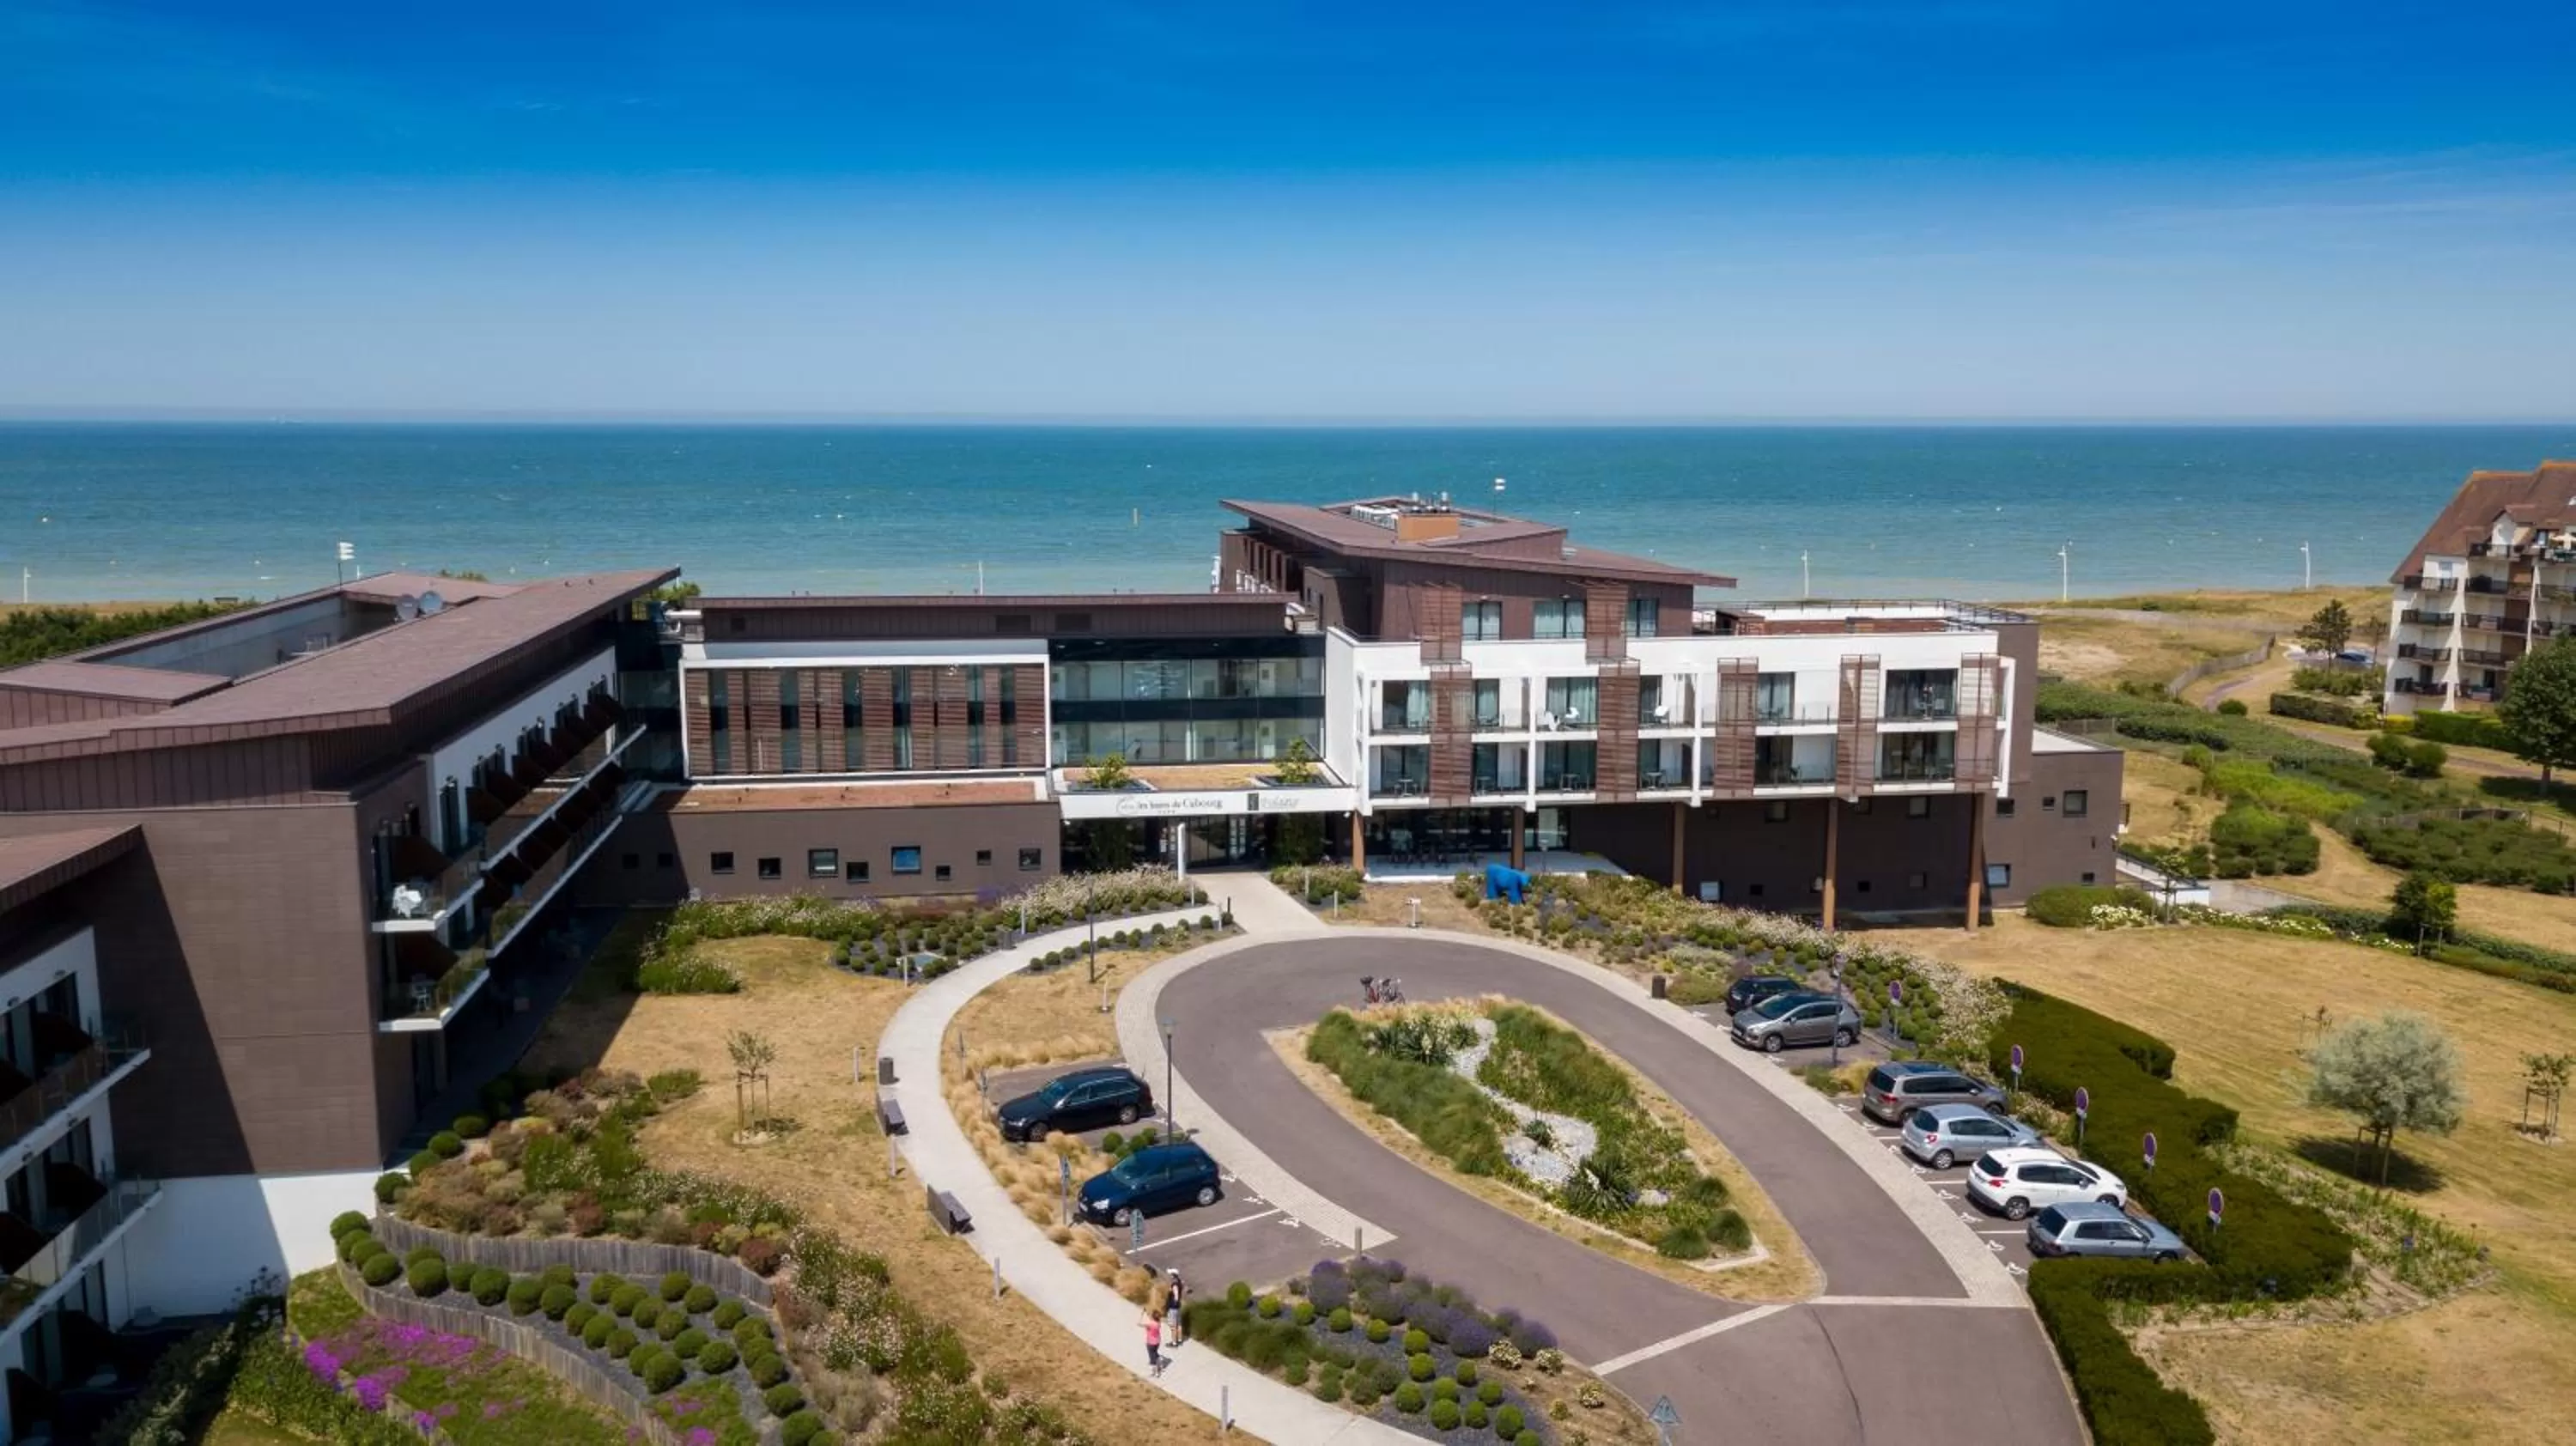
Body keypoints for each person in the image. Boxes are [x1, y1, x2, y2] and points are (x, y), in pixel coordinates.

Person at [1163, 1268, 1188, 1346]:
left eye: (1171, 1275)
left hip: (1173, 1308)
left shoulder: (1175, 1285)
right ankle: (1180, 1340)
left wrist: (1174, 1302)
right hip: (1178, 1307)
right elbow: (1183, 1289)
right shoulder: (1180, 1282)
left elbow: (1176, 1295)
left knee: (1173, 1326)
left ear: (1173, 1275)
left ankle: (1174, 1342)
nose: (1170, 1276)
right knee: (1179, 1324)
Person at [1142, 1309, 1164, 1376]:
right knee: (1155, 1353)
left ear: (1153, 1317)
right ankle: (1159, 1360)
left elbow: (1139, 1323)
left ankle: (1156, 1371)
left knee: (1152, 1358)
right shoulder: (1158, 1323)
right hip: (1157, 1342)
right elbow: (1151, 1320)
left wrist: (1142, 1315)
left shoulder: (1150, 1324)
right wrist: (1146, 1313)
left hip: (1150, 1343)